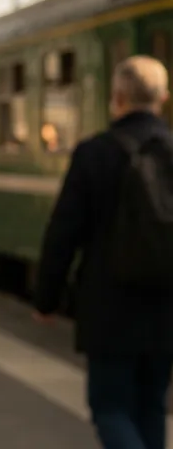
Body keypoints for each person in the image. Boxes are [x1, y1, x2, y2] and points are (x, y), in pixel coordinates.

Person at [34, 56, 173, 449]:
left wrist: (47, 299)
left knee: (110, 408)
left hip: (110, 307)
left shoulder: (95, 153)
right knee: (151, 406)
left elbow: (63, 233)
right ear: (162, 97)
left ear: (117, 97)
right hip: (166, 307)